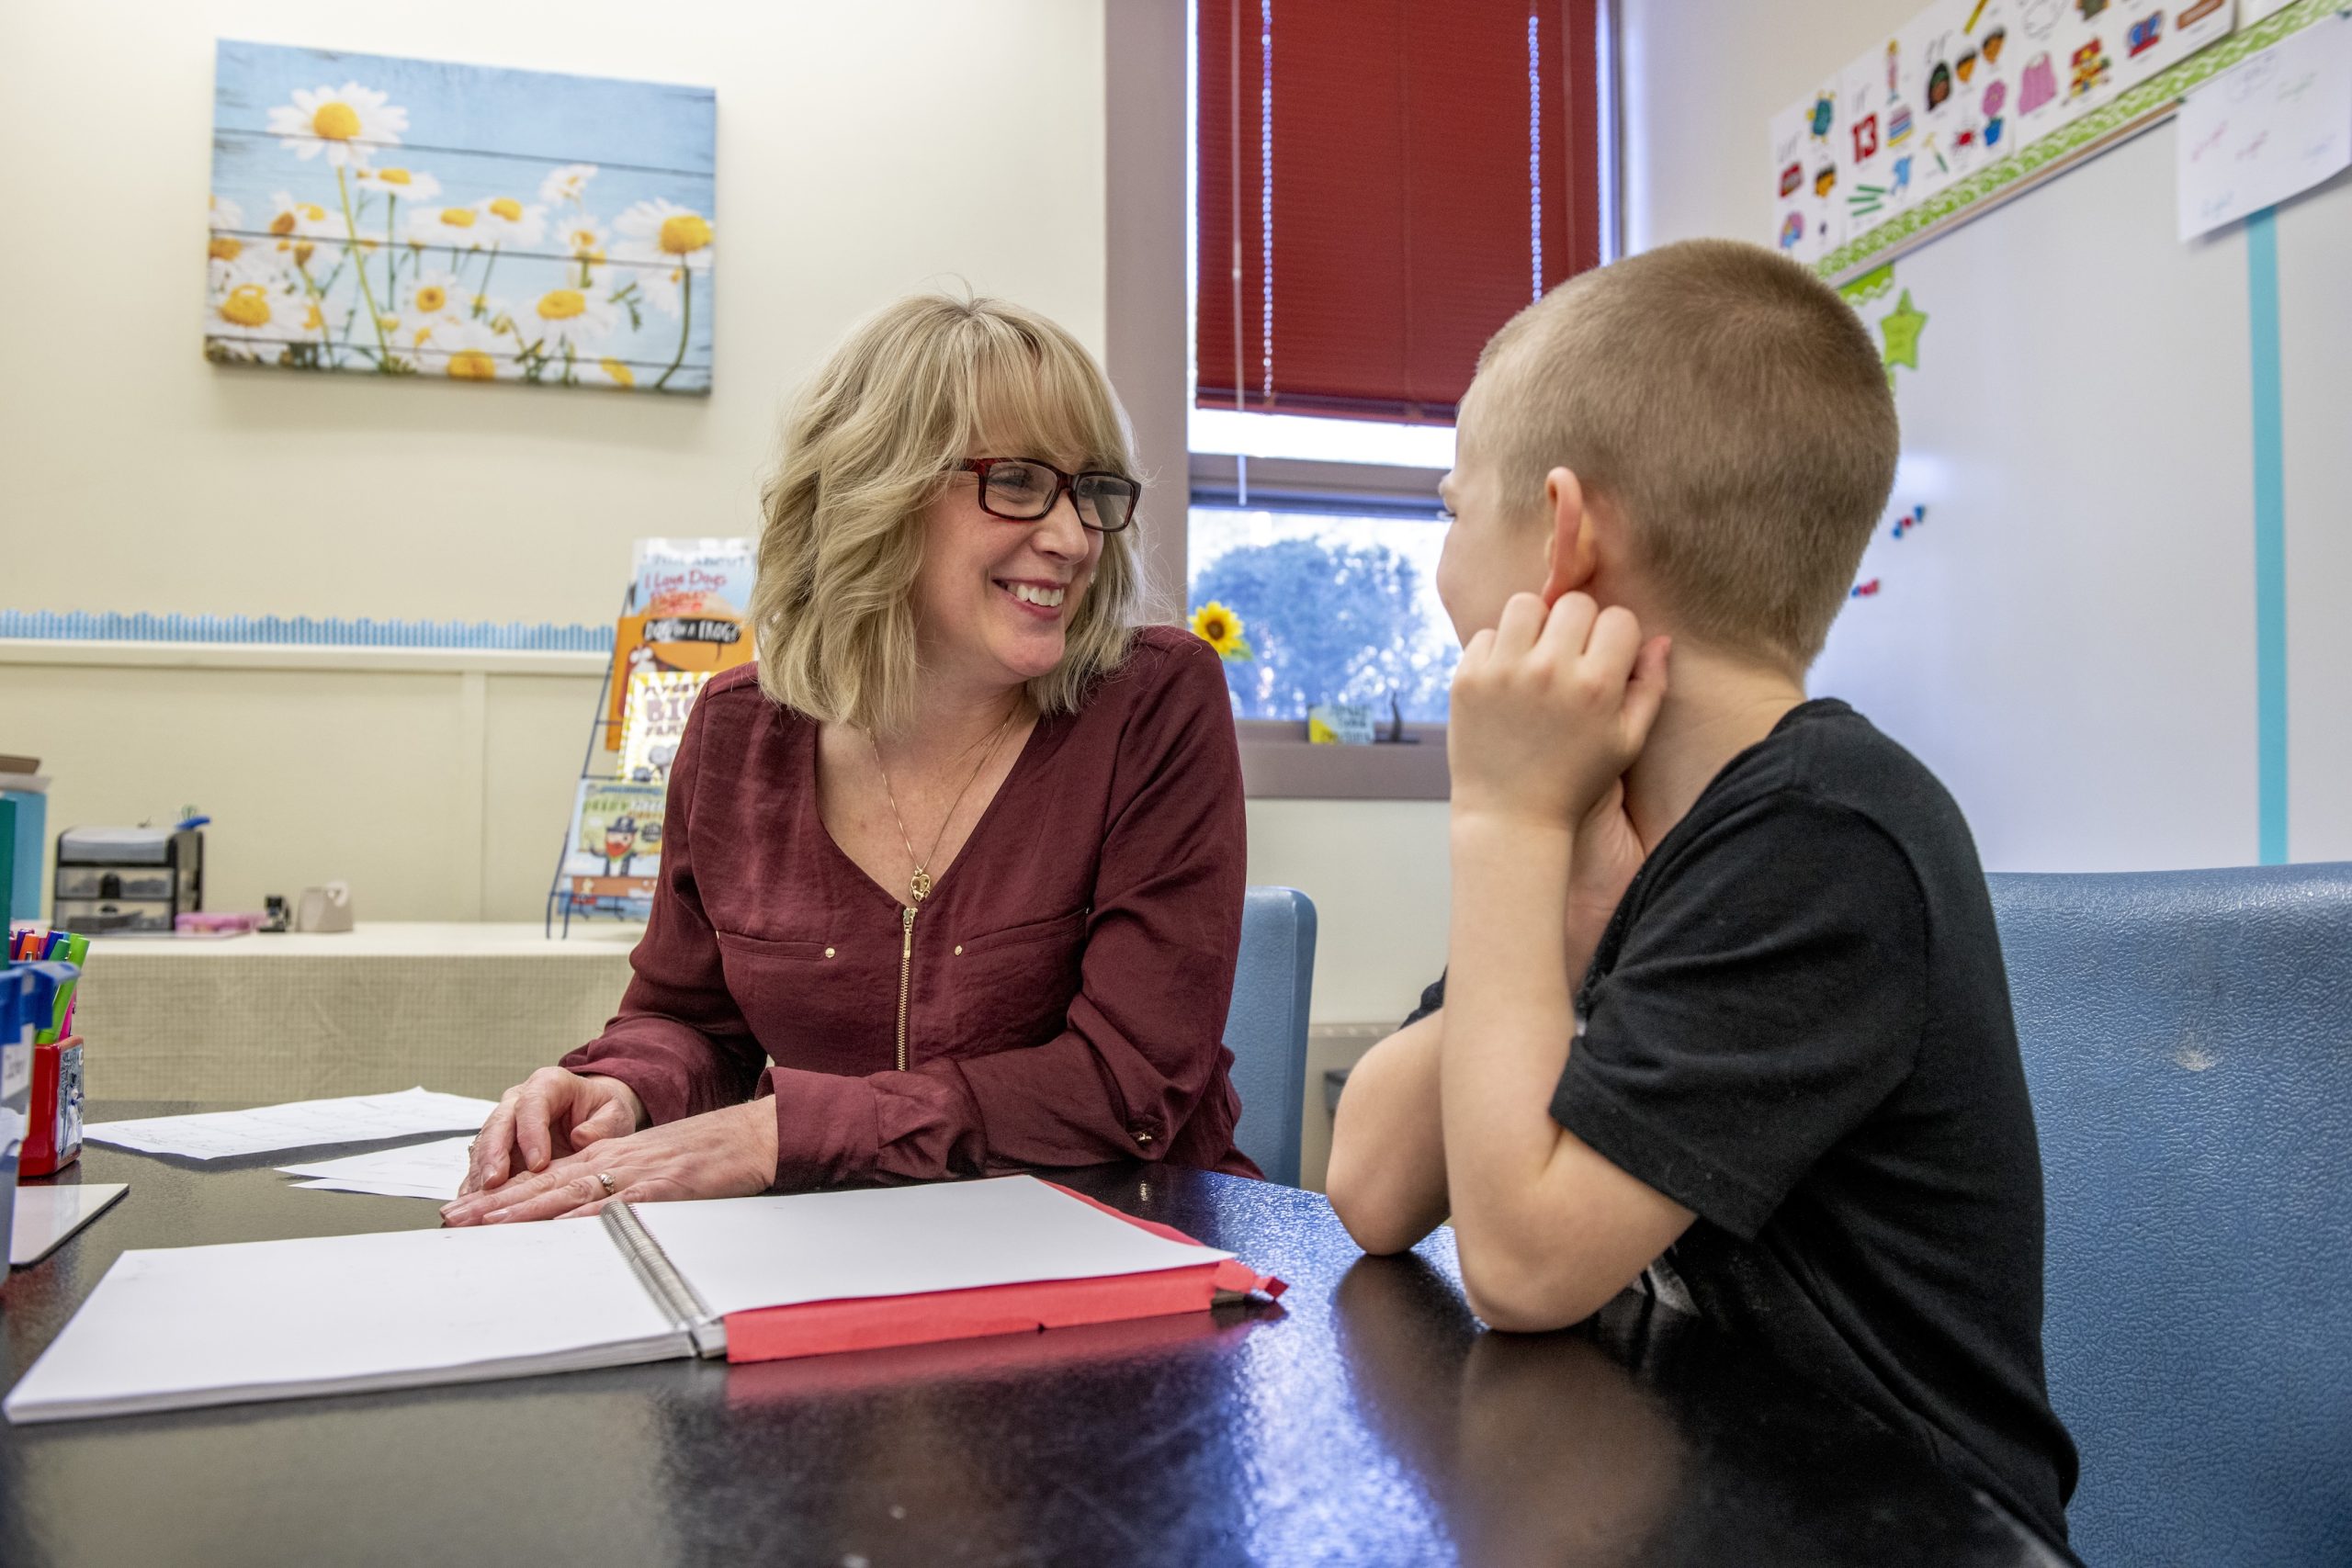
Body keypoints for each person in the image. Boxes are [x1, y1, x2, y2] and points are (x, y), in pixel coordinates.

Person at [1325, 240, 2079, 1548]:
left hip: (1895, 1526)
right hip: (1683, 1475)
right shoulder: (1625, 833)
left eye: (1452, 512)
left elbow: (1521, 1264)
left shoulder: (1821, 835)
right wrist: (1555, 914)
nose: (1439, 560)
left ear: (1562, 535)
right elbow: (1376, 1183)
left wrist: (1500, 820)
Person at [443, 294, 1258, 1228]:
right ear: (879, 489)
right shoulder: (737, 733)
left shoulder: (1151, 701)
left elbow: (1125, 1087)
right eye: (1022, 481)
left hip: (1134, 1251)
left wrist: (776, 1134)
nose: (1073, 539)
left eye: (1092, 492)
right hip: (843, 1252)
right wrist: (619, 1089)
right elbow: (690, 1019)